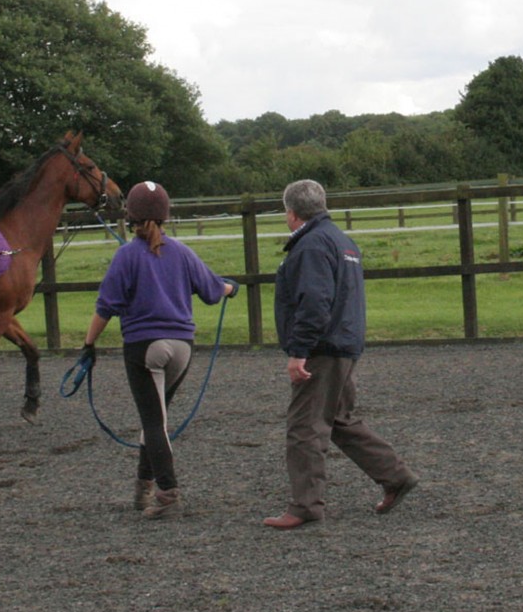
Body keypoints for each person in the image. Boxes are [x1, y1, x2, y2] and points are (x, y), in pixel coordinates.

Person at [264, 179, 418, 531]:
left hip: (323, 348)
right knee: (339, 421)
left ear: (291, 213)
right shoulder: (343, 241)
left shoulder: (311, 246)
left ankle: (305, 505)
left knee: (304, 427)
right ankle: (395, 475)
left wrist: (299, 351)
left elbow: (315, 304)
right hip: (346, 344)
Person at [82, 181, 238, 520]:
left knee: (154, 422)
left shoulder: (126, 255)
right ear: (165, 215)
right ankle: (143, 487)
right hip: (182, 347)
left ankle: (167, 494)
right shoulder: (182, 252)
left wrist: (88, 345)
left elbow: (105, 307)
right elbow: (214, 289)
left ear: (131, 216)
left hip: (145, 347)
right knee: (156, 419)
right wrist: (231, 288)